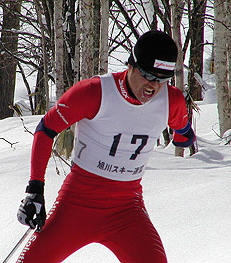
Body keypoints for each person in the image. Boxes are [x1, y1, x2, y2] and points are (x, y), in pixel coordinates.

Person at [16, 30, 195, 263]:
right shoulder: (93, 92)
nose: (154, 86)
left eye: (163, 79)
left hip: (127, 211)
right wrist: (34, 189)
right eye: (148, 76)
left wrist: (184, 135)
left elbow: (183, 132)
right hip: (77, 204)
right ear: (132, 64)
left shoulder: (171, 101)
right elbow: (45, 129)